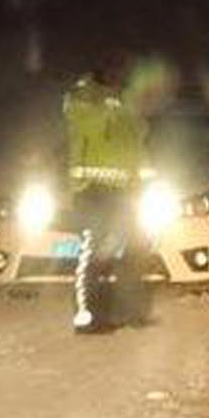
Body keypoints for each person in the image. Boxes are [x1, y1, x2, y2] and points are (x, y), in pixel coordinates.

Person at [63, 52, 150, 330]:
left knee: (134, 249)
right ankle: (86, 316)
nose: (119, 77)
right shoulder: (84, 97)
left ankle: (130, 312)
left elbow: (137, 144)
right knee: (92, 254)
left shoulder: (126, 103)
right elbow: (85, 121)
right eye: (113, 71)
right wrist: (110, 105)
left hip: (125, 193)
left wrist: (141, 182)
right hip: (93, 191)